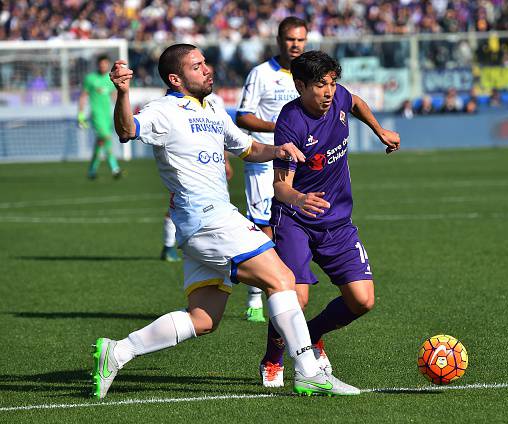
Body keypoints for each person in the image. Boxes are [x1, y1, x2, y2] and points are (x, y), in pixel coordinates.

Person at [93, 43, 360, 399]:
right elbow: (127, 130)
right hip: (208, 219)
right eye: (197, 66)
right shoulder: (163, 111)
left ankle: (118, 351)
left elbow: (246, 147)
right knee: (282, 279)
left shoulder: (214, 107)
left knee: (204, 319)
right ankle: (308, 371)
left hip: (200, 226)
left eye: (206, 63)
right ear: (176, 78)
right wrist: (123, 93)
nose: (208, 69)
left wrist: (277, 150)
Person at [258, 50, 400, 388]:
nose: (329, 92)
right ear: (300, 85)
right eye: (320, 85)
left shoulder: (338, 99)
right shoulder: (290, 123)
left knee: (362, 300)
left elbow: (357, 102)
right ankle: (273, 359)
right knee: (297, 296)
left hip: (337, 222)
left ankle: (314, 333)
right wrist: (299, 199)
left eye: (332, 83)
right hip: (295, 219)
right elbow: (280, 187)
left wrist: (380, 130)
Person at [236, 17, 307, 323]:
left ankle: (283, 287)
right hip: (264, 161)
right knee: (264, 226)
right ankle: (256, 296)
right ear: (279, 40)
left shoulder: (308, 75)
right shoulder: (261, 74)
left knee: (292, 226)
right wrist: (279, 127)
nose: (296, 45)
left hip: (299, 161)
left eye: (301, 40)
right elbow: (243, 116)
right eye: (291, 39)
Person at [160, 69, 233, 263]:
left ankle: (209, 247)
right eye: (198, 68)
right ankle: (168, 246)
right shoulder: (173, 104)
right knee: (177, 201)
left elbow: (221, 135)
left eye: (206, 69)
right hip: (186, 162)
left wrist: (225, 160)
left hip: (211, 164)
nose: (206, 73)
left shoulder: (216, 102)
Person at [78, 55, 123, 179]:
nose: (103, 66)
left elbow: (114, 96)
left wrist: (121, 111)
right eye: (101, 64)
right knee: (106, 138)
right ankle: (115, 168)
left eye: (105, 64)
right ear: (98, 65)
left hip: (107, 115)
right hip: (96, 115)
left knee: (100, 142)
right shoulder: (90, 78)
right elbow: (83, 96)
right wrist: (80, 115)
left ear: (107, 65)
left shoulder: (110, 79)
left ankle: (92, 170)